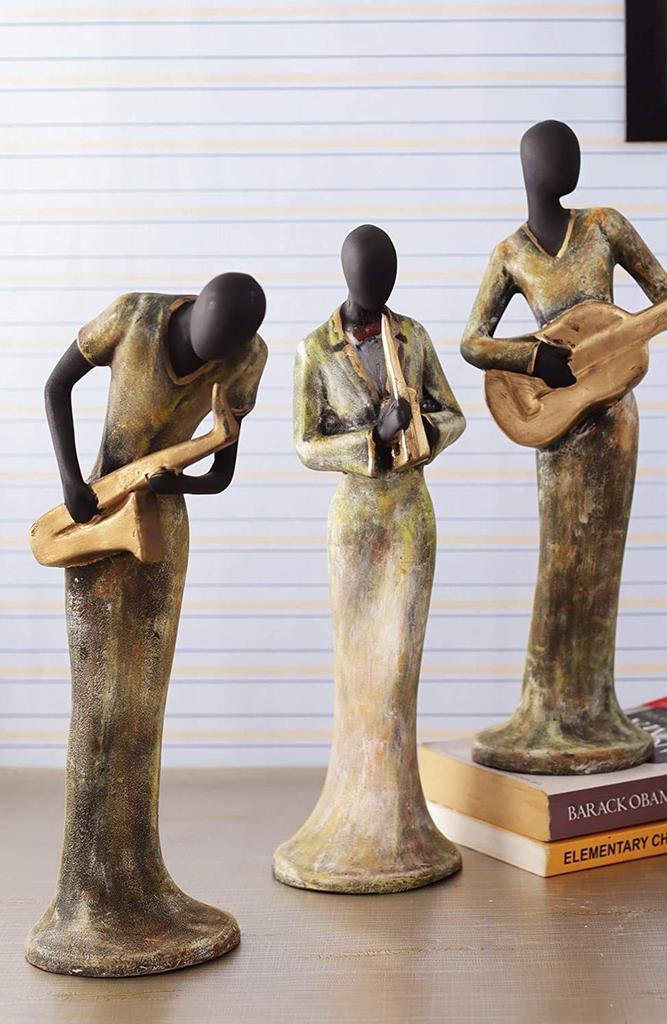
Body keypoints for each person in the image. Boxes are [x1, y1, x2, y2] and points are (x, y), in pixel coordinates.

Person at [461, 120, 667, 774]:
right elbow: (473, 342)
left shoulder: (605, 226)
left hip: (611, 416)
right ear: (529, 168)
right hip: (555, 421)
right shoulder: (510, 253)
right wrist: (533, 358)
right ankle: (546, 709)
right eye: (556, 156)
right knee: (558, 561)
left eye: (574, 154)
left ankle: (592, 708)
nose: (570, 166)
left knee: (601, 559)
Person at [28, 274, 268, 974]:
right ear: (194, 313)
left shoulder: (246, 358)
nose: (213, 360)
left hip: (161, 531)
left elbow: (221, 473)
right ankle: (86, 897)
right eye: (207, 346)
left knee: (142, 710)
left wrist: (173, 482)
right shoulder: (133, 317)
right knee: (99, 709)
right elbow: (56, 386)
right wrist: (72, 482)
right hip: (100, 523)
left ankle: (139, 883)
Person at [273, 225, 465, 893]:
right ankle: (349, 819)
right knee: (357, 670)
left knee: (398, 670)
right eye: (366, 278)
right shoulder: (314, 349)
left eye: (386, 278)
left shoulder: (413, 336)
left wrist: (421, 430)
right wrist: (370, 438)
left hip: (409, 513)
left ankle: (401, 823)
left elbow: (453, 413)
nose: (377, 289)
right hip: (356, 522)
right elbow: (305, 443)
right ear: (347, 276)